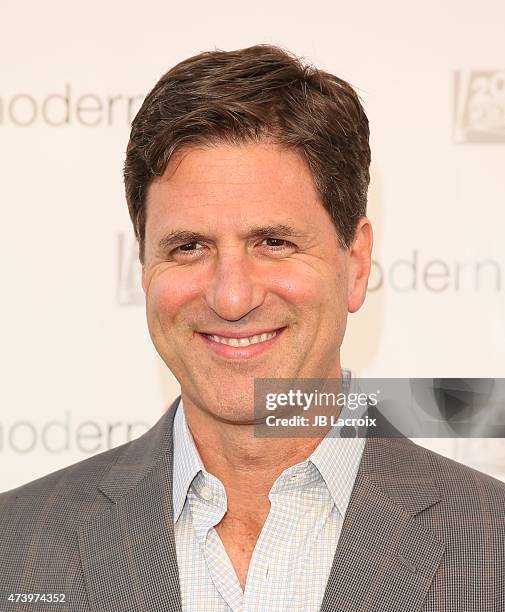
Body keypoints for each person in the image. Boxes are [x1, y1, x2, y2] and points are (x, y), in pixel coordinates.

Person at [1, 44, 504, 612]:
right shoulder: (15, 548)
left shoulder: (493, 547)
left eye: (274, 243)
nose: (232, 296)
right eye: (189, 247)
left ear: (357, 263)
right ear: (143, 268)